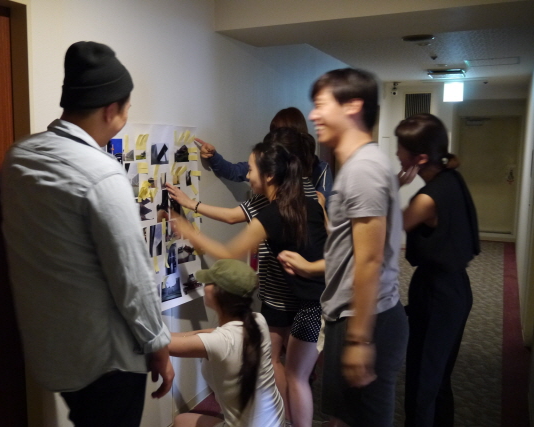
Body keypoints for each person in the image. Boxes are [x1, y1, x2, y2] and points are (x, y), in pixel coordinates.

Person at [0, 41, 174, 427]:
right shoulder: (101, 174)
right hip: (107, 362)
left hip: (55, 353)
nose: (126, 117)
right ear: (111, 110)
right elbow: (133, 277)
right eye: (127, 109)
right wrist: (158, 344)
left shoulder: (19, 157)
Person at [172, 130, 327, 427]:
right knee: (297, 375)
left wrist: (189, 231)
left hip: (304, 303)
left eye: (251, 169)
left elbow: (228, 253)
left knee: (290, 372)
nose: (247, 174)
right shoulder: (309, 201)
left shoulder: (271, 215)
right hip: (316, 302)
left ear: (269, 176)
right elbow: (335, 249)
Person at [281, 68, 408, 427]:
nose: (313, 115)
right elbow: (352, 252)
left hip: (366, 320)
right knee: (341, 420)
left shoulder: (364, 170)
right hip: (352, 315)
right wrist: (309, 267)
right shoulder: (358, 166)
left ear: (352, 106)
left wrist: (359, 340)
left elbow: (370, 260)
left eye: (321, 104)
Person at [396, 114, 480, 427]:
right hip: (456, 288)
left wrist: (394, 185)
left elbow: (387, 229)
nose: (396, 153)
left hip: (438, 293)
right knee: (437, 376)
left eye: (401, 148)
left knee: (422, 380)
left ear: (420, 158)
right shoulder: (451, 178)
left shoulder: (427, 199)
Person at [169, 259, 285, 427]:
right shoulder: (258, 321)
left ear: (218, 294)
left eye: (209, 282)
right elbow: (212, 333)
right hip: (275, 423)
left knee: (180, 421)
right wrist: (181, 335)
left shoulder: (219, 342)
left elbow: (162, 344)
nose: (205, 285)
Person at [196, 107, 333, 202]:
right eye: (273, 132)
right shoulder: (268, 162)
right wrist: (213, 155)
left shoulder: (320, 168)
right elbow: (233, 171)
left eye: (278, 133)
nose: (274, 139)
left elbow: (324, 208)